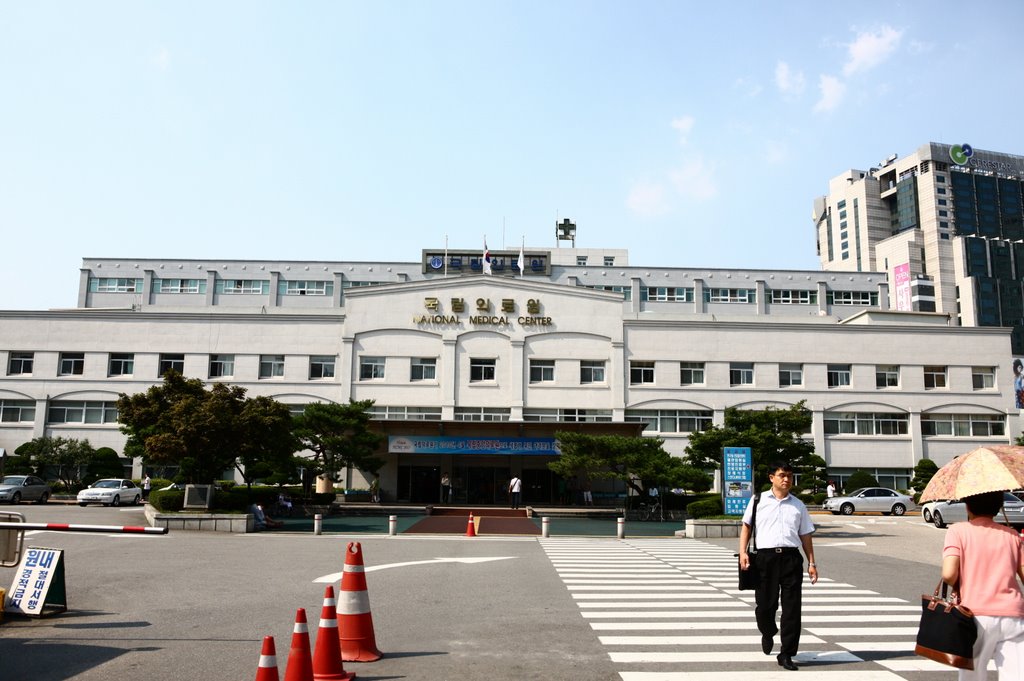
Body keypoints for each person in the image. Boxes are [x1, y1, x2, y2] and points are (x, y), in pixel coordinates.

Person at [739, 462, 817, 671]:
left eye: (790, 476)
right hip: (765, 559)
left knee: (792, 609)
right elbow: (746, 526)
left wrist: (811, 562)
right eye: (782, 475)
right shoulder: (758, 500)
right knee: (765, 605)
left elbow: (805, 535)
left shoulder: (798, 505)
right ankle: (767, 631)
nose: (787, 479)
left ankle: (787, 653)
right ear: (771, 477)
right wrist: (743, 552)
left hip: (791, 559)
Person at [941, 490, 1024, 680]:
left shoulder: (957, 531)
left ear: (968, 506)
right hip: (1014, 615)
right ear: (998, 507)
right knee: (1017, 675)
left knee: (973, 675)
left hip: (974, 616)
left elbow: (948, 573)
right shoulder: (1011, 535)